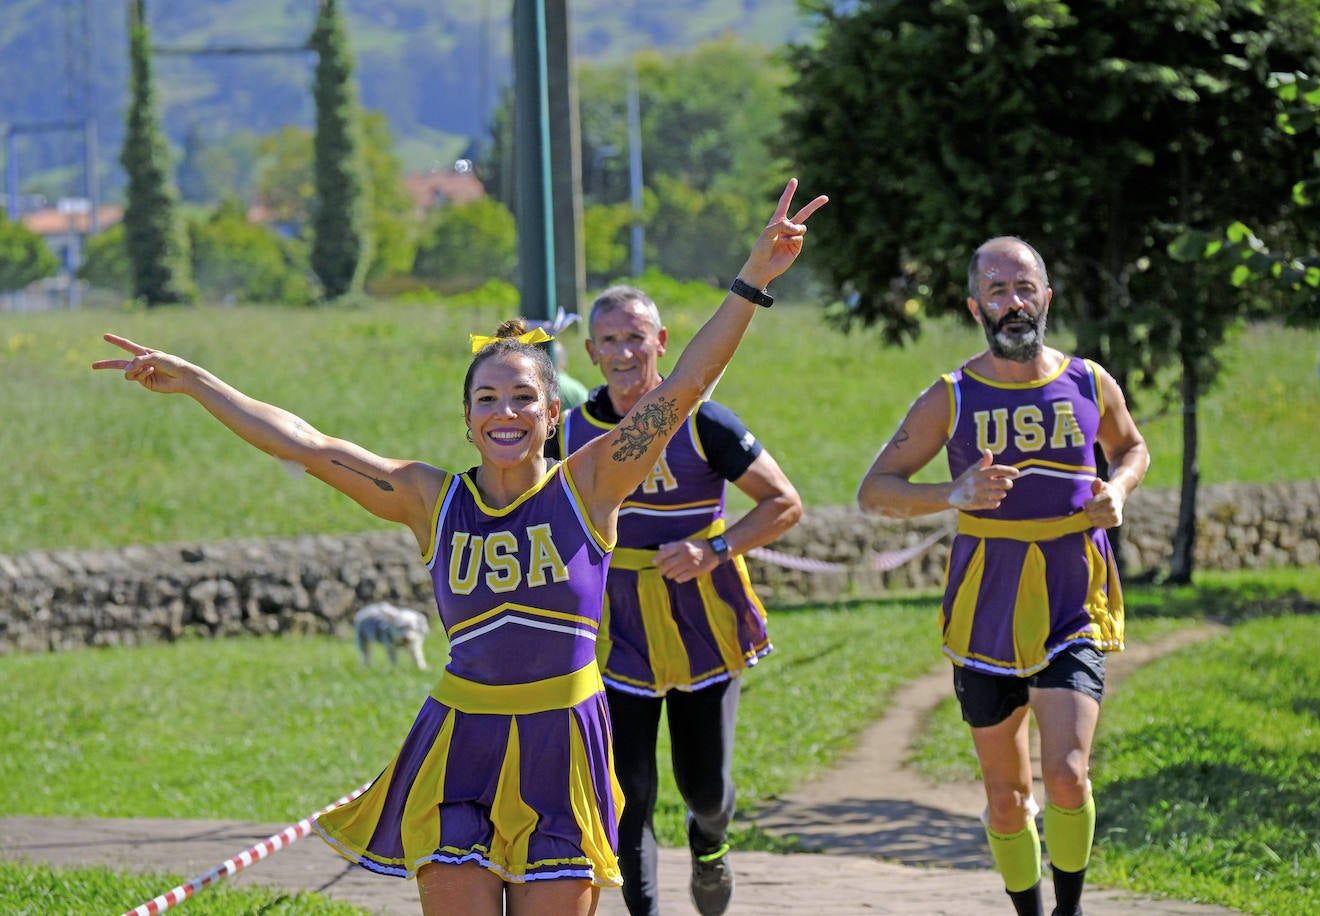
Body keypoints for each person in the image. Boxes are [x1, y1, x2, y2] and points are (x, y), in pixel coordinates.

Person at [92, 179, 827, 916]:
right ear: (467, 419)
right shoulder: (429, 500)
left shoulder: (593, 482)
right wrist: (195, 382)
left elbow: (687, 383)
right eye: (486, 399)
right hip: (458, 750)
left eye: (523, 399)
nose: (504, 412)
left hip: (562, 750)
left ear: (551, 418)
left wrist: (753, 280)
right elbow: (310, 446)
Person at [856, 236, 1149, 916]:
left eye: (1024, 289)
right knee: (1007, 797)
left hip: (1073, 601)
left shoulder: (1088, 381)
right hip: (985, 611)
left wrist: (1121, 488)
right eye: (997, 290)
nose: (1012, 303)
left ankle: (1068, 910)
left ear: (1046, 299)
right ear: (974, 307)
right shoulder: (951, 396)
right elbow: (876, 491)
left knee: (1068, 776)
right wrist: (950, 495)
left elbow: (1130, 446)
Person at [549, 283, 803, 916]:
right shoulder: (570, 434)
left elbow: (784, 504)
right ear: (590, 352)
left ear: (661, 343)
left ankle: (710, 845)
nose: (625, 352)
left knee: (706, 788)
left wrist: (713, 550)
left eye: (636, 336)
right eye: (610, 340)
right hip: (615, 629)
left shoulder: (705, 423)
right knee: (627, 789)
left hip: (703, 616)